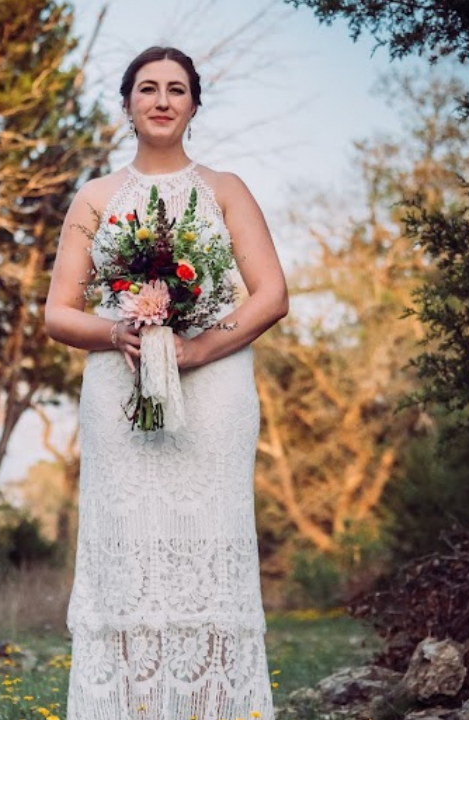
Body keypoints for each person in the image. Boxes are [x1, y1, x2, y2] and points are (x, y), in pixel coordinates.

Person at [43, 45, 289, 720]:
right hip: (121, 394)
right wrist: (116, 332)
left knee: (209, 553)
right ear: (127, 103)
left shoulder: (227, 189)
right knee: (129, 562)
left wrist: (197, 348)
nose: (161, 99)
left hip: (214, 397)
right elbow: (58, 312)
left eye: (176, 89)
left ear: (193, 104)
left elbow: (270, 295)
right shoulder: (93, 198)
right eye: (147, 88)